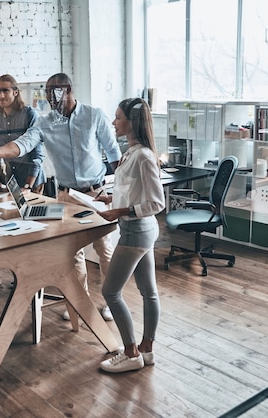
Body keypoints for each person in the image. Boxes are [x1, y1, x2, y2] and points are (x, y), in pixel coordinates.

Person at [0, 73, 121, 321]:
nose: (48, 96)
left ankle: (112, 300)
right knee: (73, 252)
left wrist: (120, 192)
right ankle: (81, 303)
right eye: (46, 91)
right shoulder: (46, 122)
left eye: (52, 91)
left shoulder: (94, 115)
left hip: (96, 193)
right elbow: (23, 144)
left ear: (67, 89)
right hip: (67, 195)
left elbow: (113, 153)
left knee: (104, 250)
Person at [96, 98, 165, 373]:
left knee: (110, 292)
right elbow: (135, 191)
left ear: (131, 122)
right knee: (149, 292)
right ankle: (146, 349)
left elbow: (157, 203)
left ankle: (131, 353)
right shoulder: (133, 153)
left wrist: (120, 210)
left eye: (117, 117)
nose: (113, 123)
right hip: (139, 230)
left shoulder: (144, 156)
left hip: (137, 231)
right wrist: (111, 199)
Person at [0, 74, 45, 194]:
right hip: (12, 182)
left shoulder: (30, 114)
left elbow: (37, 156)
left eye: (5, 91)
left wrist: (28, 186)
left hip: (33, 183)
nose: (1, 95)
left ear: (15, 92)